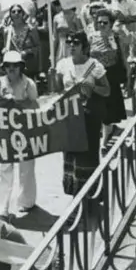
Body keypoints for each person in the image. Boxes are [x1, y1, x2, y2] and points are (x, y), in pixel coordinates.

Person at [56, 31, 111, 203]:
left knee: (87, 156)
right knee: (71, 156)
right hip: (69, 118)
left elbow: (107, 91)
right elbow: (58, 91)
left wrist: (90, 87)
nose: (71, 45)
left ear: (84, 47)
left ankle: (90, 195)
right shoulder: (62, 65)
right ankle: (75, 196)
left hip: (89, 118)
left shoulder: (95, 66)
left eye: (76, 43)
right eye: (69, 42)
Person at [0, 50, 37, 219]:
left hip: (25, 129)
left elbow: (35, 105)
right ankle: (2, 206)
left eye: (15, 66)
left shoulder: (28, 83)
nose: (11, 69)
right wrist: (2, 99)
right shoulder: (0, 82)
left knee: (26, 167)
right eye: (8, 66)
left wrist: (17, 102)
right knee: (5, 168)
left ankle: (26, 201)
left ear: (20, 67)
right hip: (6, 129)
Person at [88, 9, 129, 140]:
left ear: (111, 23)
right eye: (99, 22)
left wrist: (128, 78)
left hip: (111, 77)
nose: (101, 25)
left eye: (105, 22)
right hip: (95, 78)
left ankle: (106, 139)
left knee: (109, 112)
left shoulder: (116, 36)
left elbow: (123, 57)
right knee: (97, 110)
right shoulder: (91, 37)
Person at [4, 4, 42, 77]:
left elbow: (38, 47)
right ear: (10, 14)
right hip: (14, 66)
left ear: (23, 13)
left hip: (29, 65)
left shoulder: (31, 29)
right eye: (13, 11)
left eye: (19, 11)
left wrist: (27, 52)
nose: (16, 13)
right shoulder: (7, 31)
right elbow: (6, 47)